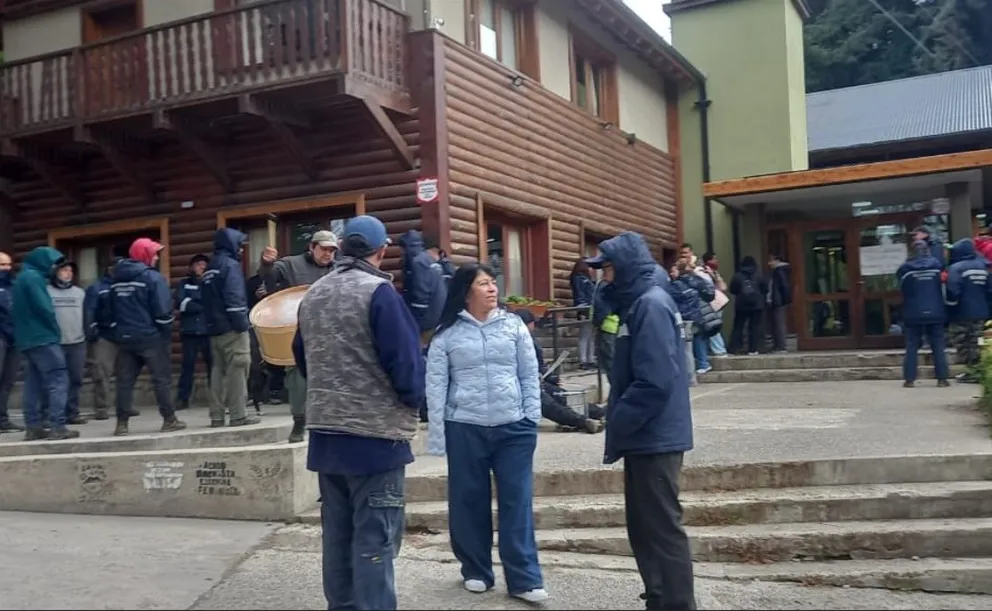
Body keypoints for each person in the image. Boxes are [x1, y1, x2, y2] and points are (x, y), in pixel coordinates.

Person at [293, 215, 424, 611]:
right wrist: (413, 401)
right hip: (375, 437)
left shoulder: (313, 294)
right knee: (375, 539)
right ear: (381, 251)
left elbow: (301, 355)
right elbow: (406, 363)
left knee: (337, 536)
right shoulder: (378, 293)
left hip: (326, 436)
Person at [584, 232, 696, 611]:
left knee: (661, 530)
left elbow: (656, 380)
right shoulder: (639, 303)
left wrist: (619, 418)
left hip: (655, 435)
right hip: (647, 435)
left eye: (609, 268)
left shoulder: (650, 305)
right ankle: (660, 598)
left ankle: (676, 603)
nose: (605, 278)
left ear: (627, 266)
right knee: (645, 529)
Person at [426, 263, 548, 604]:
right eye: (484, 284)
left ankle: (524, 578)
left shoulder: (513, 327)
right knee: (468, 501)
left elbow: (529, 375)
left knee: (517, 501)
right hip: (465, 426)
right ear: (467, 292)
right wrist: (438, 435)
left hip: (514, 428)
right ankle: (476, 570)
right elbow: (435, 387)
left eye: (493, 283)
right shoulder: (446, 334)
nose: (492, 289)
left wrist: (531, 418)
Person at [259, 229, 337, 443]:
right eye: (324, 249)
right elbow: (269, 275)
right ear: (312, 247)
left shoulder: (338, 270)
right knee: (297, 379)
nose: (328, 254)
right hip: (298, 331)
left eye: (332, 250)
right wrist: (266, 264)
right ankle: (299, 422)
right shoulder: (291, 264)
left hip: (330, 333)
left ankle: (329, 424)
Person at [107, 238, 186, 436]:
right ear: (144, 254)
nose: (157, 257)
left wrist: (119, 330)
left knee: (125, 382)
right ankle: (169, 419)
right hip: (151, 337)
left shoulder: (117, 278)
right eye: (154, 253)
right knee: (161, 380)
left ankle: (122, 424)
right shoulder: (152, 278)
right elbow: (163, 309)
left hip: (125, 338)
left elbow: (110, 309)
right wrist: (165, 332)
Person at [13, 246, 79, 441]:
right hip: (43, 337)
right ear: (43, 262)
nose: (55, 268)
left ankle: (33, 426)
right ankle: (57, 426)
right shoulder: (34, 278)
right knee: (58, 379)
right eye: (54, 264)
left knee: (33, 384)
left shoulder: (21, 278)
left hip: (27, 340)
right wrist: (55, 330)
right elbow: (45, 308)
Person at [202, 228, 258, 427]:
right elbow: (235, 299)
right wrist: (244, 326)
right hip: (232, 329)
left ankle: (216, 417)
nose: (242, 250)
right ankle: (238, 415)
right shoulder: (230, 266)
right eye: (240, 246)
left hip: (213, 329)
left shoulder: (210, 268)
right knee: (238, 369)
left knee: (218, 372)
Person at [517, 308, 604, 434]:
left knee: (561, 395)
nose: (534, 326)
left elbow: (538, 367)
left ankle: (599, 413)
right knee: (548, 404)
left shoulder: (530, 340)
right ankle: (582, 421)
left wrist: (550, 378)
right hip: (522, 385)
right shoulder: (516, 342)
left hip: (535, 380)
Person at [898, 240, 951, 388]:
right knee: (938, 345)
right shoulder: (937, 266)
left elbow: (902, 290)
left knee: (912, 346)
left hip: (913, 313)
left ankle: (909, 379)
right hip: (936, 311)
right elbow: (944, 287)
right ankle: (942, 379)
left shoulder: (905, 269)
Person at [944, 238, 990, 383]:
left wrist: (950, 308)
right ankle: (978, 371)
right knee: (977, 341)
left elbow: (952, 291)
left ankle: (972, 371)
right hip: (982, 312)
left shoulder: (956, 268)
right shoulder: (984, 266)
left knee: (961, 342)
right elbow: (989, 290)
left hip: (961, 313)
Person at [48, 261, 88, 425]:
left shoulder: (80, 293)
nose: (68, 273)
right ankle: (56, 415)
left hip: (77, 342)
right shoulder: (47, 292)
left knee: (76, 379)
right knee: (57, 381)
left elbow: (86, 315)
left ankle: (72, 413)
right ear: (56, 272)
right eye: (64, 270)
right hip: (56, 343)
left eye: (71, 270)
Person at [84, 258, 121, 420]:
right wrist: (92, 331)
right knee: (101, 374)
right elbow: (89, 311)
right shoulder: (96, 288)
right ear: (109, 268)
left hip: (123, 335)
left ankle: (124, 406)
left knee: (125, 374)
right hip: (103, 336)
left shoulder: (123, 286)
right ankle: (102, 408)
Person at [398, 229, 451, 342]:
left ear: (407, 246)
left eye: (402, 248)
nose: (401, 252)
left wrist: (415, 322)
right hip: (437, 315)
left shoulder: (418, 262)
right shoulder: (430, 261)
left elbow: (421, 293)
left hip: (425, 320)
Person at [175, 254, 212, 411]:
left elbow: (212, 303)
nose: (201, 267)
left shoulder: (210, 283)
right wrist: (201, 302)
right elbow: (181, 304)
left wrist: (193, 300)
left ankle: (216, 398)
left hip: (208, 331)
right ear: (192, 267)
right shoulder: (184, 283)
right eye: (198, 264)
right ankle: (183, 399)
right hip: (189, 331)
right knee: (187, 367)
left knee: (213, 366)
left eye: (204, 264)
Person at [668, 260, 717, 375]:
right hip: (698, 314)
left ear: (679, 271)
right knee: (699, 339)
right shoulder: (694, 279)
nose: (671, 273)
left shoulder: (677, 285)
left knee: (688, 345)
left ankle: (697, 367)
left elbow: (671, 297)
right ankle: (704, 363)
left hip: (687, 316)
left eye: (673, 271)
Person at [0, 252, 22, 434]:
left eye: (8, 264)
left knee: (8, 381)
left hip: (14, 338)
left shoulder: (14, 286)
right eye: (2, 265)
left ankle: (3, 419)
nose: (6, 268)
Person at [728, 256, 768, 355]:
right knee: (755, 327)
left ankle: (734, 348)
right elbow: (765, 289)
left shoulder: (737, 276)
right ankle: (754, 349)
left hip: (741, 306)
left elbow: (732, 290)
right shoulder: (759, 276)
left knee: (738, 326)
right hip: (757, 305)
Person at [700, 252, 728, 358]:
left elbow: (723, 287)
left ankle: (719, 350)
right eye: (714, 259)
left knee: (714, 327)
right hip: (709, 304)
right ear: (708, 261)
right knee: (713, 326)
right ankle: (719, 350)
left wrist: (714, 276)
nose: (717, 261)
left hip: (716, 304)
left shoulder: (714, 272)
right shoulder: (702, 272)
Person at [569, 260, 596, 369]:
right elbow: (579, 293)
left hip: (591, 307)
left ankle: (590, 359)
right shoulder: (578, 278)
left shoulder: (587, 279)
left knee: (591, 336)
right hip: (584, 307)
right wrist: (582, 308)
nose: (591, 269)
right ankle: (583, 361)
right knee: (585, 335)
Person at [766, 253, 792, 353]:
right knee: (775, 323)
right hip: (776, 300)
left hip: (778, 301)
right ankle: (777, 345)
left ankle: (781, 346)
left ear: (777, 260)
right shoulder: (776, 271)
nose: (769, 263)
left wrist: (785, 300)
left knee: (779, 324)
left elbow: (784, 286)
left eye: (771, 261)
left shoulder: (779, 271)